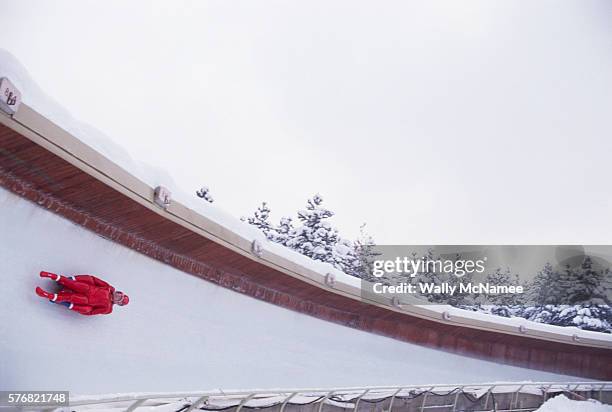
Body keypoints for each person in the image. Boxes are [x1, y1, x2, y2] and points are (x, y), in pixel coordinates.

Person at [35, 271, 129, 315]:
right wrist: (76, 278)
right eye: (119, 293)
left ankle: (47, 294)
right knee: (73, 284)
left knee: (71, 297)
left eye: (119, 298)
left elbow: (91, 311)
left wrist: (73, 306)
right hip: (88, 289)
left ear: (118, 303)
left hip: (86, 300)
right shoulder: (109, 288)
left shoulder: (108, 308)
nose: (117, 295)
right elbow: (94, 280)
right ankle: (52, 275)